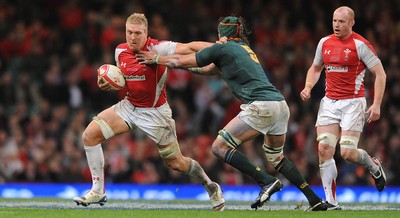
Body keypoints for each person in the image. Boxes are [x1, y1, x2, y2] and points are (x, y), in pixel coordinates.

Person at [137, 15, 327, 211]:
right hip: (279, 105)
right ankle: (314, 199)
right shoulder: (244, 49)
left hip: (261, 106)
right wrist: (185, 66)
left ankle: (266, 181)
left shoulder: (222, 48)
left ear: (220, 33)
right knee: (276, 157)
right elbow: (211, 70)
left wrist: (157, 59)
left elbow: (178, 61)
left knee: (219, 147)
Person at [73, 13, 225, 211]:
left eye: (137, 33)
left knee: (176, 163)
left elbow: (190, 46)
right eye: (129, 32)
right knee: (90, 135)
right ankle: (98, 191)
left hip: (156, 114)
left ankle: (210, 186)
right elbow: (125, 79)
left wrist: (220, 47)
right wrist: (110, 84)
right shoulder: (120, 51)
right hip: (129, 107)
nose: (133, 37)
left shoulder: (158, 48)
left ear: (146, 33)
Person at [300, 6, 387, 210]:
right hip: (329, 102)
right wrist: (308, 86)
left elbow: (380, 74)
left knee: (347, 153)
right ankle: (331, 202)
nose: (336, 25)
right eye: (334, 21)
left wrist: (376, 104)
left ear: (351, 23)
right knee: (324, 148)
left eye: (341, 21)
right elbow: (315, 68)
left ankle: (373, 165)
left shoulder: (361, 45)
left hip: (353, 103)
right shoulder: (324, 42)